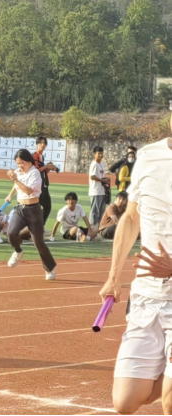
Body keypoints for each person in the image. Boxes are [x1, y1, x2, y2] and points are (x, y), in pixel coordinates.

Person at [99, 136, 172, 415]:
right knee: (125, 401)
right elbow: (130, 218)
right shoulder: (148, 155)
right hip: (146, 296)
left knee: (170, 403)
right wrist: (113, 276)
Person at [6, 149, 57, 280]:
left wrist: (15, 180)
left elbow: (28, 191)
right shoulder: (18, 172)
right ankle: (18, 251)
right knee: (11, 232)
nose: (20, 166)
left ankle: (50, 268)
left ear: (29, 161)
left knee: (38, 243)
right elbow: (16, 186)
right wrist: (10, 195)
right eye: (18, 163)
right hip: (20, 208)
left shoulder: (35, 173)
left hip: (33, 210)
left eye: (22, 163)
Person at [33, 136, 58, 234]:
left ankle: (41, 227)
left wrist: (48, 168)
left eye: (44, 143)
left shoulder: (41, 157)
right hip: (37, 186)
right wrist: (46, 166)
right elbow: (36, 170)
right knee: (36, 208)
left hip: (44, 185)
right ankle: (34, 228)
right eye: (40, 143)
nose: (42, 145)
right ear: (37, 145)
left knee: (47, 206)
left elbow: (43, 172)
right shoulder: (34, 156)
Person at [89, 146, 110, 230]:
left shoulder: (101, 164)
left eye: (101, 153)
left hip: (102, 190)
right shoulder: (94, 164)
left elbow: (101, 176)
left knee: (101, 211)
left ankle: (99, 228)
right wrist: (103, 181)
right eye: (98, 153)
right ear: (94, 154)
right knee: (95, 211)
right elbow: (92, 176)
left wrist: (105, 182)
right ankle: (92, 227)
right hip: (95, 191)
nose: (100, 155)